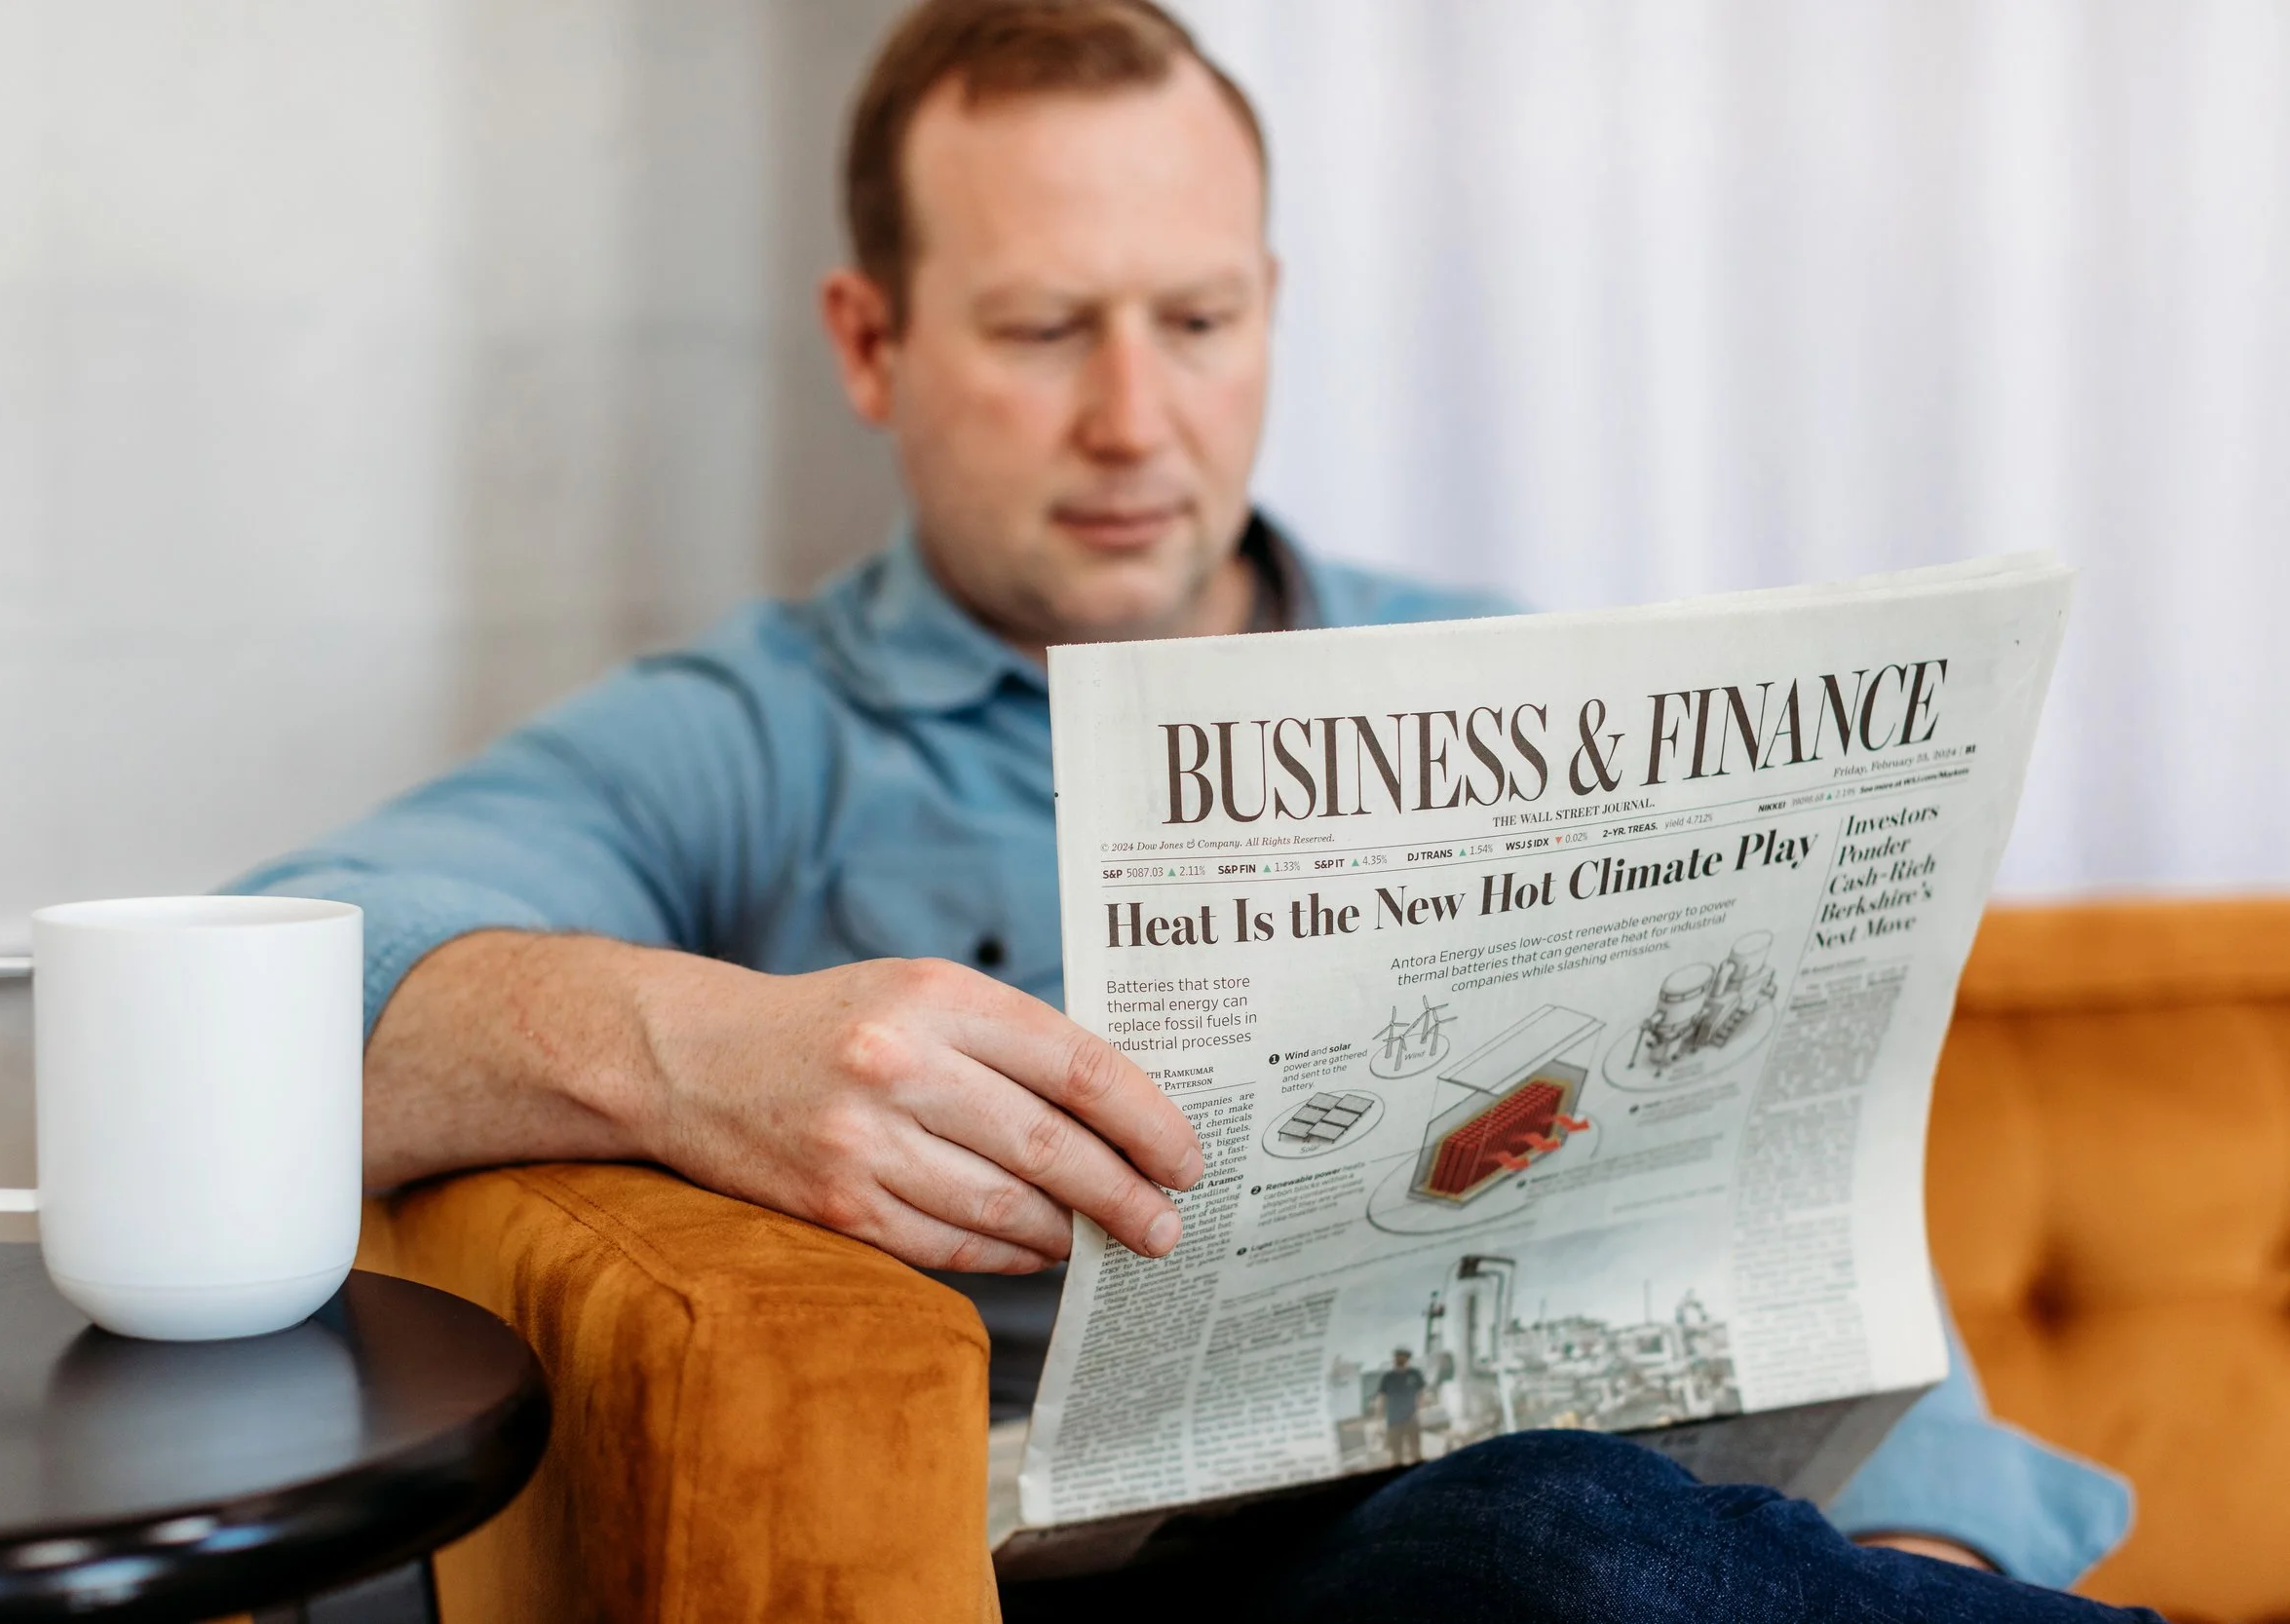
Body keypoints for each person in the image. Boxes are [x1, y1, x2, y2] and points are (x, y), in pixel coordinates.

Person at [233, 1, 2145, 1615]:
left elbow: (1788, 1194)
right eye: (1045, 328)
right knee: (1526, 1516)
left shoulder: (1512, 671)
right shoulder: (760, 734)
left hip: (1661, 1540)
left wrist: (1911, 1550)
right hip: (1189, 1575)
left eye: (1199, 322)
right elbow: (264, 1004)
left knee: (1588, 1514)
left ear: (1271, 307)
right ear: (870, 342)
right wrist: (696, 1047)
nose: (1135, 420)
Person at [1378, 1349, 1429, 1468]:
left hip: (1412, 1418)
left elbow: (1421, 1394)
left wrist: (1420, 1411)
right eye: (1397, 1357)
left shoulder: (1415, 1374)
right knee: (1396, 1455)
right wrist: (1379, 1419)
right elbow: (1382, 1398)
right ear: (1394, 1359)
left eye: (1403, 1357)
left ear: (1407, 1359)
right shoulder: (1388, 1377)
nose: (1400, 1360)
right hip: (1394, 1420)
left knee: (1416, 1452)